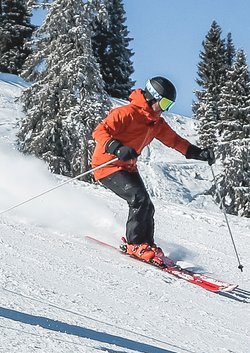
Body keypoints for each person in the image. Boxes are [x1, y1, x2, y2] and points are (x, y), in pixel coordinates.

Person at [90, 76, 213, 265]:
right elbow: (99, 131)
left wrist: (200, 153)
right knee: (137, 199)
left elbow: (176, 142)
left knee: (147, 205)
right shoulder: (126, 113)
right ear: (151, 97)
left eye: (169, 105)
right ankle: (136, 244)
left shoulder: (156, 123)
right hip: (107, 165)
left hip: (128, 166)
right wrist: (117, 147)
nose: (165, 108)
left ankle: (147, 244)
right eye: (164, 102)